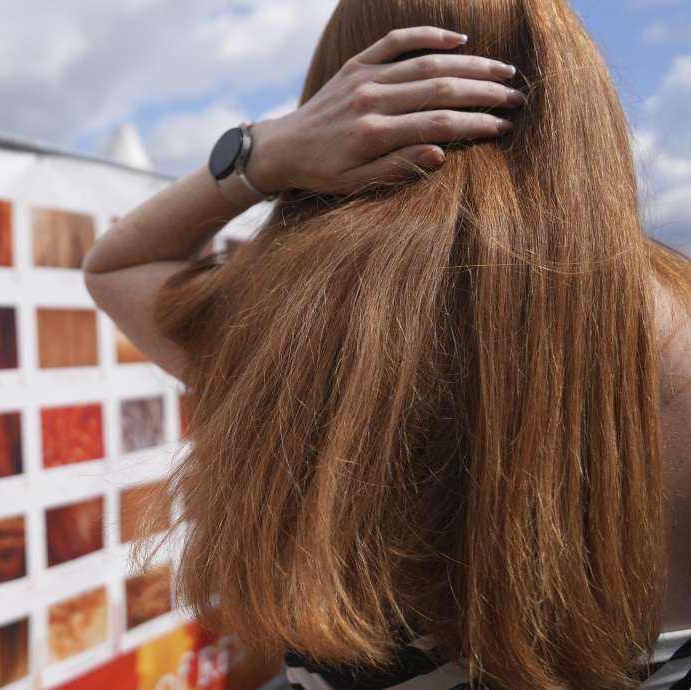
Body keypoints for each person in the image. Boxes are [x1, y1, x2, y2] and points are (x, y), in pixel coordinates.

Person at [82, 1, 691, 688]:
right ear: (578, 100)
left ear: (342, 100)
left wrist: (266, 151)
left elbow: (115, 266)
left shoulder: (280, 325)